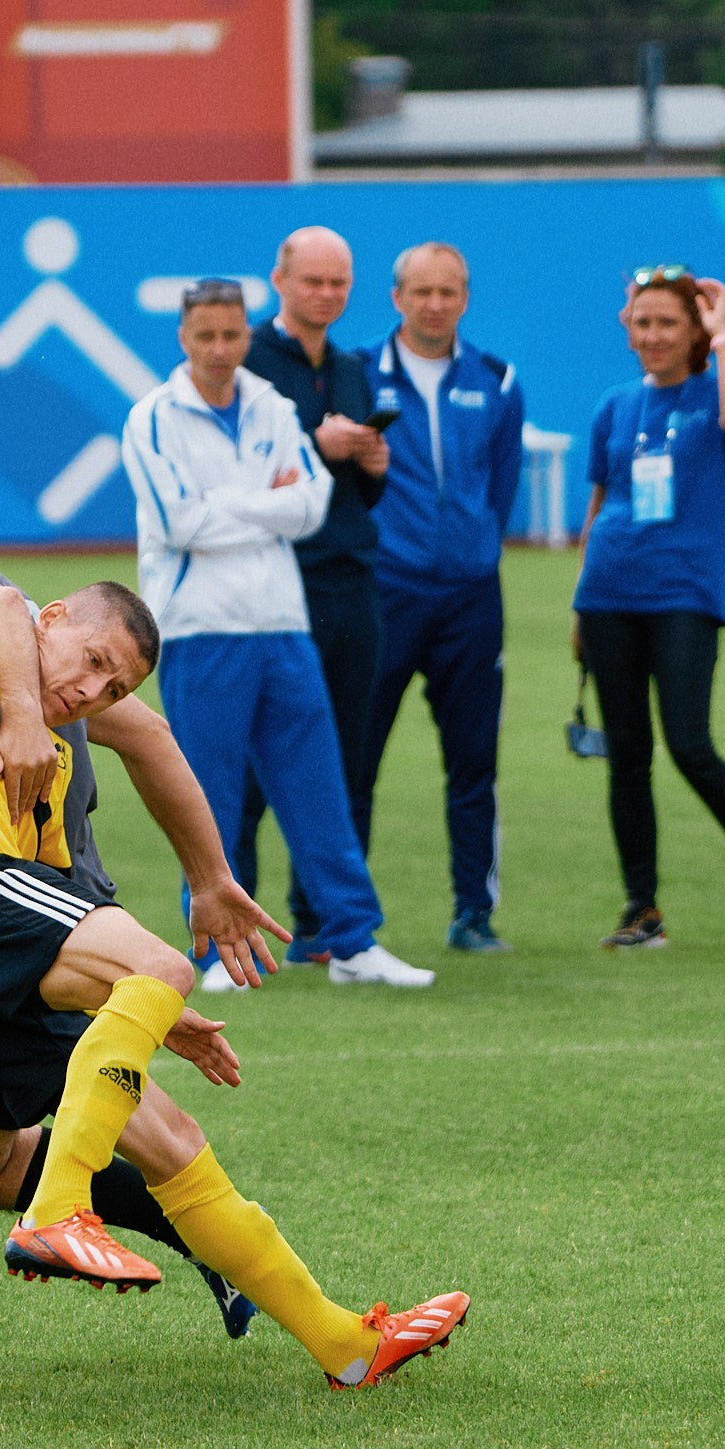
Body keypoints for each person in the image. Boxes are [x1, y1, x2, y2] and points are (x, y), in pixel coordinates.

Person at [0, 437, 468, 1391]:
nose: (92, 694)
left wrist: (205, 883)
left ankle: (344, 1343)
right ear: (52, 618)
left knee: (74, 1153)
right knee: (158, 979)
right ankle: (51, 1215)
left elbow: (130, 726)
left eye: (110, 684)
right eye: (96, 666)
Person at [121, 276, 435, 991]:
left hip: (283, 623)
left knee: (321, 790)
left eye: (232, 335)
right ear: (183, 337)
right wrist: (267, 504)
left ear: (244, 334)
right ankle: (213, 954)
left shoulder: (273, 406)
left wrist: (237, 507)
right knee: (211, 800)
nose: (221, 349)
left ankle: (353, 942)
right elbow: (177, 523)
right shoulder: (153, 418)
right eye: (206, 336)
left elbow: (313, 504)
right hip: (200, 629)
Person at [573, 267, 725, 954]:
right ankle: (641, 907)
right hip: (607, 593)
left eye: (668, 323)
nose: (653, 335)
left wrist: (724, 338)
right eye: (642, 322)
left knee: (689, 745)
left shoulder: (718, 392)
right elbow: (602, 505)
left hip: (685, 594)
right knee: (627, 755)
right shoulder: (615, 405)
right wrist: (578, 605)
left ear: (693, 331)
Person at [355, 242, 524, 954]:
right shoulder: (358, 374)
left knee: (473, 760)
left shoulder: (496, 377)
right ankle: (343, 916)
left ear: (465, 297)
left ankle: (472, 912)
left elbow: (502, 482)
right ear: (397, 297)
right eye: (421, 291)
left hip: (470, 598)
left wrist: (473, 546)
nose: (435, 303)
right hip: (385, 592)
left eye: (448, 291)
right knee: (356, 757)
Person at [236, 226, 392, 963]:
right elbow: (237, 465)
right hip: (273, 581)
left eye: (339, 282)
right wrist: (313, 444)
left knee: (347, 760)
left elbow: (365, 491)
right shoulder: (247, 366)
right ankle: (234, 930)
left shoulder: (355, 366)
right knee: (252, 768)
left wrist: (372, 457)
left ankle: (328, 928)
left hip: (350, 579)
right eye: (313, 281)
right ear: (280, 279)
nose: (326, 294)